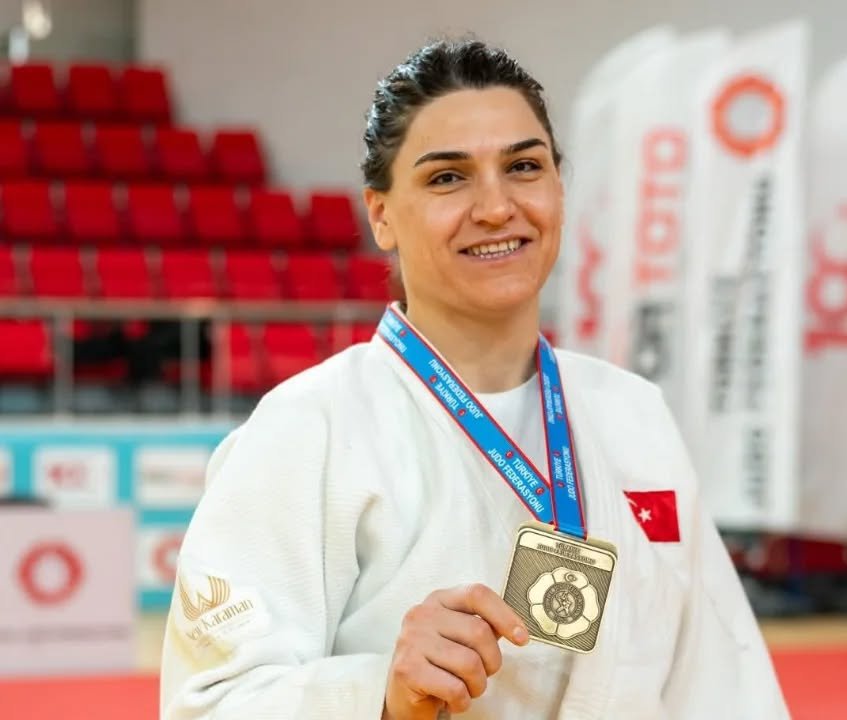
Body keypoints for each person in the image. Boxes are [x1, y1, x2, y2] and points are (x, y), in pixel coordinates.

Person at [160, 38, 789, 719]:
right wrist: (380, 694)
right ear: (381, 215)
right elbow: (210, 705)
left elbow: (725, 688)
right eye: (447, 178)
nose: (495, 207)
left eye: (523, 167)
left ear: (558, 188)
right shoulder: (308, 429)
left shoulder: (633, 413)